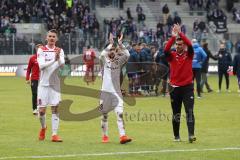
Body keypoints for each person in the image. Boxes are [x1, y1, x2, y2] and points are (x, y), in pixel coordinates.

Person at [164, 24, 196, 143]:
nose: (178, 46)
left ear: (184, 45)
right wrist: (173, 37)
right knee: (176, 113)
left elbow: (190, 45)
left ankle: (191, 135)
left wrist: (181, 33)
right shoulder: (171, 56)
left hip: (187, 87)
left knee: (189, 111)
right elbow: (165, 50)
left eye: (180, 44)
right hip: (174, 88)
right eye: (177, 44)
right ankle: (176, 136)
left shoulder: (189, 54)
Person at [99, 33, 132, 144]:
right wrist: (111, 44)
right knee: (104, 115)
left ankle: (122, 136)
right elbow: (102, 54)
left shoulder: (119, 61)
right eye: (111, 50)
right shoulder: (104, 60)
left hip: (117, 92)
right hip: (105, 93)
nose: (113, 51)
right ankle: (105, 136)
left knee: (120, 114)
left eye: (114, 49)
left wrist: (121, 44)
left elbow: (127, 55)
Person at [37, 29, 65, 142]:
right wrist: (54, 59)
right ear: (46, 38)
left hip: (55, 85)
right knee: (42, 111)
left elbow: (62, 65)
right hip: (43, 84)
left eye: (54, 36)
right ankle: (43, 128)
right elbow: (41, 66)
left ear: (56, 39)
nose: (52, 38)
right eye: (50, 36)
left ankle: (54, 134)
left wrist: (58, 59)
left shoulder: (59, 50)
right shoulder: (41, 50)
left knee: (55, 108)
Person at [26, 44, 43, 115]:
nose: (40, 50)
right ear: (36, 49)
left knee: (42, 94)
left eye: (41, 48)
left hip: (42, 79)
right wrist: (27, 78)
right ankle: (34, 109)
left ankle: (40, 108)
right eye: (38, 48)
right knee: (35, 94)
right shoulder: (32, 58)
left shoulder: (44, 58)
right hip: (34, 79)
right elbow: (29, 69)